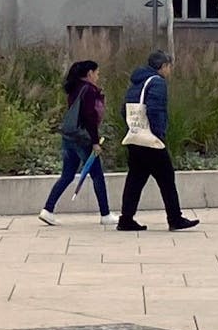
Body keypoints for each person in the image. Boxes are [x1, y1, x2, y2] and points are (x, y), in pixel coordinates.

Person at [118, 50, 200, 232]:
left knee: (135, 179)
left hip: (134, 137)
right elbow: (155, 110)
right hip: (150, 141)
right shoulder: (157, 83)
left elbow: (124, 110)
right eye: (169, 67)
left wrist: (132, 128)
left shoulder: (136, 83)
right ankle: (175, 218)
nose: (170, 71)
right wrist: (158, 134)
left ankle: (126, 218)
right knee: (166, 178)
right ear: (163, 66)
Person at [39, 60, 114, 227]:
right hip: (83, 139)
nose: (98, 76)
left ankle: (48, 209)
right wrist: (95, 142)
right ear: (89, 74)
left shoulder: (73, 89)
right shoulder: (89, 90)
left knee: (67, 175)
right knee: (97, 175)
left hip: (69, 138)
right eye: (97, 73)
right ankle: (105, 213)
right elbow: (89, 117)